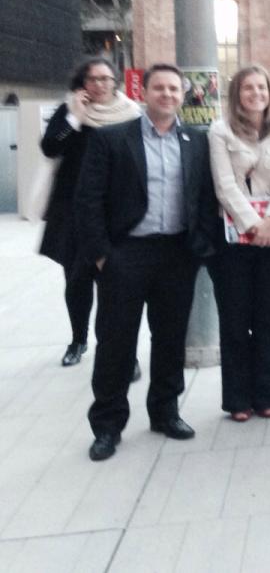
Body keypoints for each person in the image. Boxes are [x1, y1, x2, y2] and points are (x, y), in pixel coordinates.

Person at [75, 64, 217, 461]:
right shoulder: (111, 138)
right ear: (143, 92)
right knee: (116, 343)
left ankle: (165, 412)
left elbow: (205, 197)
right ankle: (107, 425)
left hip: (177, 253)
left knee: (170, 339)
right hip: (125, 254)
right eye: (159, 88)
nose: (167, 95)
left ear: (182, 95)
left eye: (174, 88)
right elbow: (88, 200)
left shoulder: (196, 141)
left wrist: (199, 248)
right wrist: (102, 255)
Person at [39, 57, 142, 367]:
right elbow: (50, 148)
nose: (99, 85)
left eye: (105, 79)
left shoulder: (130, 114)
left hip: (115, 213)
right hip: (72, 211)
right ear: (82, 84)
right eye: (93, 79)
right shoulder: (69, 111)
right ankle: (78, 340)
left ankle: (123, 353)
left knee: (119, 287)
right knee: (76, 281)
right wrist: (76, 118)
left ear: (115, 82)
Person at [208, 65, 270, 420]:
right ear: (237, 94)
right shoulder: (220, 130)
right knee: (234, 319)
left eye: (262, 87)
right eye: (248, 88)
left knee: (267, 319)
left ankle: (265, 394)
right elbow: (224, 185)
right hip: (233, 238)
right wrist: (252, 224)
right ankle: (237, 399)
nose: (256, 93)